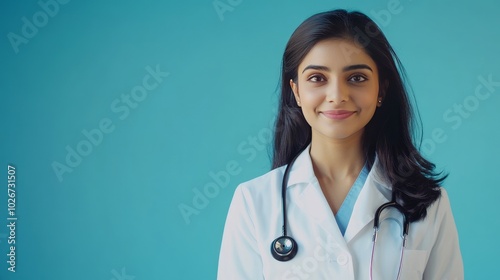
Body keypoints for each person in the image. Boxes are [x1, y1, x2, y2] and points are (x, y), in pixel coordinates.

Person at [217, 9, 463, 280]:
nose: (337, 96)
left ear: (380, 90)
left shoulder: (429, 203)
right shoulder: (254, 201)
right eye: (317, 78)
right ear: (296, 92)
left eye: (356, 78)